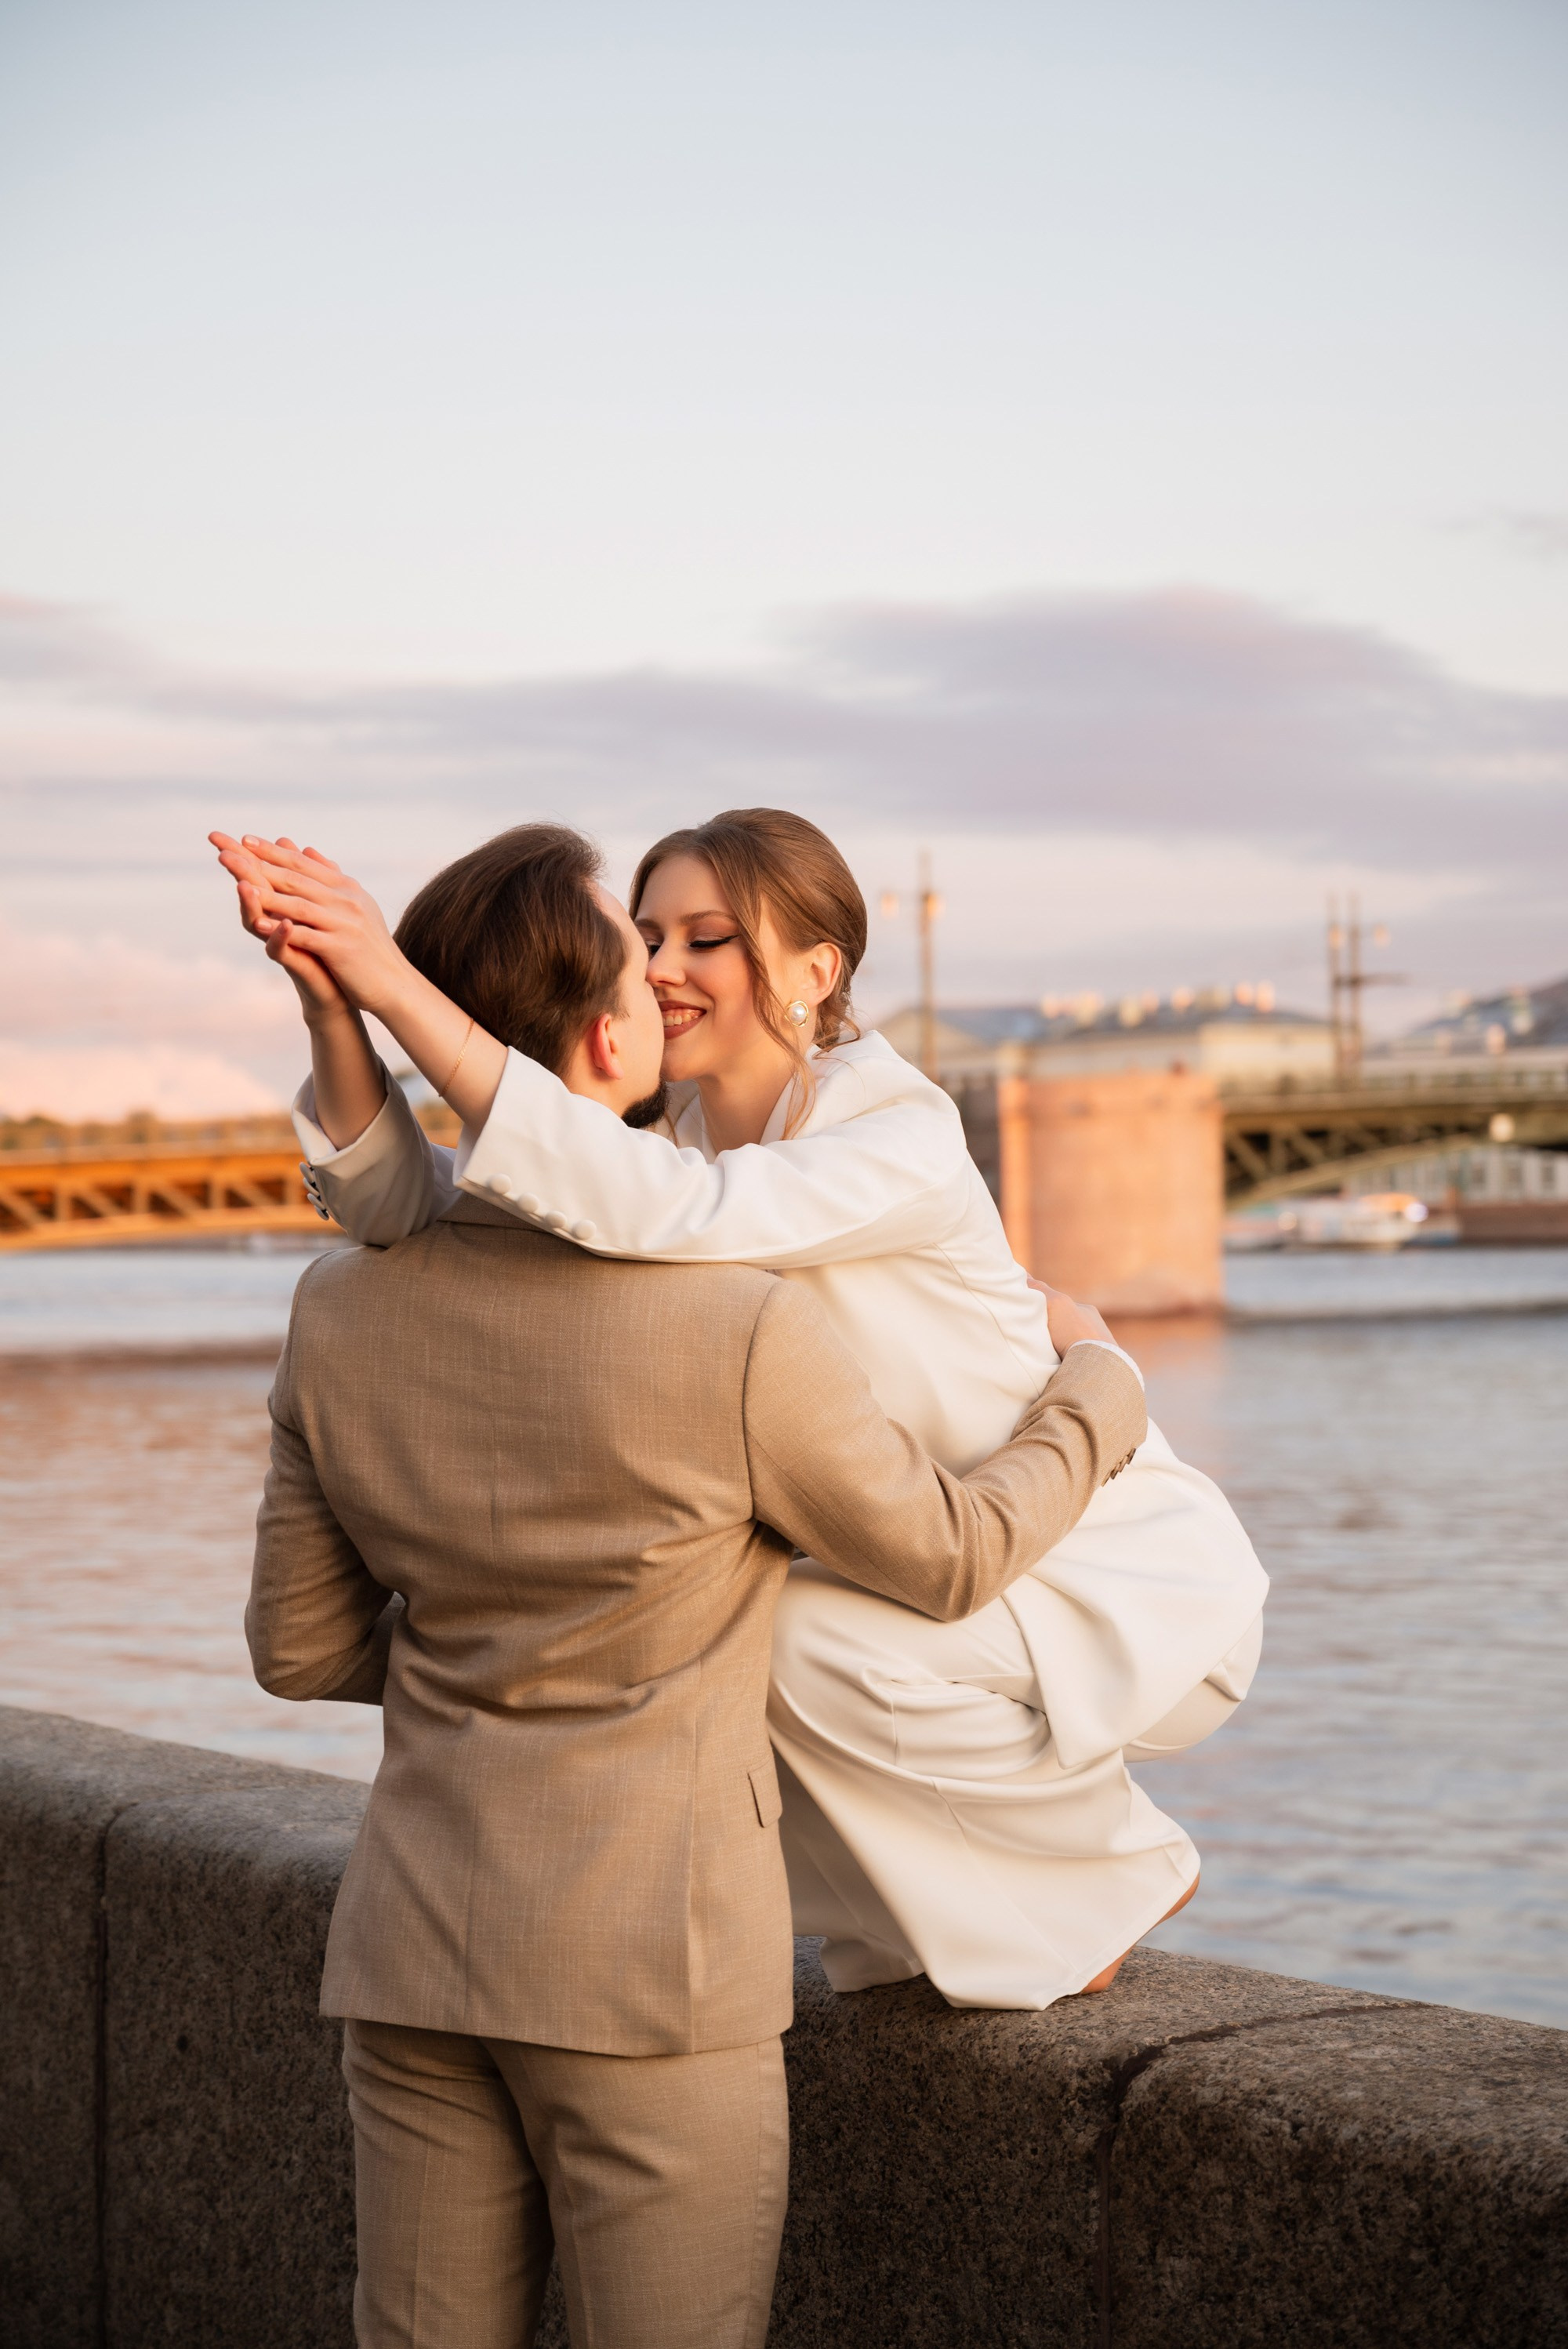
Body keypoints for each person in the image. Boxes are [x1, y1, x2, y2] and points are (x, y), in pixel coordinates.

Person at [246, 821, 1149, 2349]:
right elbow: (946, 1559)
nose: (669, 982)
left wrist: (496, 1646)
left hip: (409, 1947)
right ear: (607, 1035)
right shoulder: (732, 1332)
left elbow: (298, 1646)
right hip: (649, 1972)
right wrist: (1099, 1391)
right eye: (643, 961)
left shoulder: (334, 1310)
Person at [215, 808, 1267, 2009]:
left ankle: (1107, 1869)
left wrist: (394, 981)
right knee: (723, 1628)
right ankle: (991, 1910)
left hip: (1098, 1577)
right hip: (926, 1576)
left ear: (817, 972)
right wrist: (329, 1002)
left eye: (708, 939)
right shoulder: (665, 1136)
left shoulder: (895, 1130)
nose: (662, 969)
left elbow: (680, 1214)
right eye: (649, 935)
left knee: (772, 1634)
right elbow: (408, 1209)